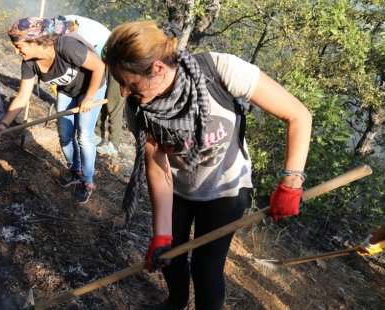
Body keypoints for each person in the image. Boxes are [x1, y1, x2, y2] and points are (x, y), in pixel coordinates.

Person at [102, 21, 312, 310]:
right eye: (120, 83)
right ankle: (176, 302)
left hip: (226, 190)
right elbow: (157, 162)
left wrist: (291, 182)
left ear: (159, 69)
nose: (124, 92)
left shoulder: (219, 70)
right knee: (170, 258)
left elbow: (298, 115)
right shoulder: (140, 105)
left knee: (207, 269)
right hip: (177, 188)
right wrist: (161, 232)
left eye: (129, 83)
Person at [0, 16, 107, 204]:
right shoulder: (29, 63)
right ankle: (75, 170)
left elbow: (99, 67)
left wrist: (89, 97)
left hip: (92, 87)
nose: (16, 50)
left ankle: (87, 181)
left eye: (18, 45)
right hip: (68, 91)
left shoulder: (65, 46)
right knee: (64, 134)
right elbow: (22, 96)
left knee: (84, 135)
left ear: (34, 41)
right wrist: (4, 123)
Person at [64, 15, 125, 157]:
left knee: (113, 102)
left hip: (116, 59)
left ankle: (114, 145)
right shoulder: (64, 24)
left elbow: (86, 59)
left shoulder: (84, 35)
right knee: (99, 97)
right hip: (102, 58)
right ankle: (97, 135)